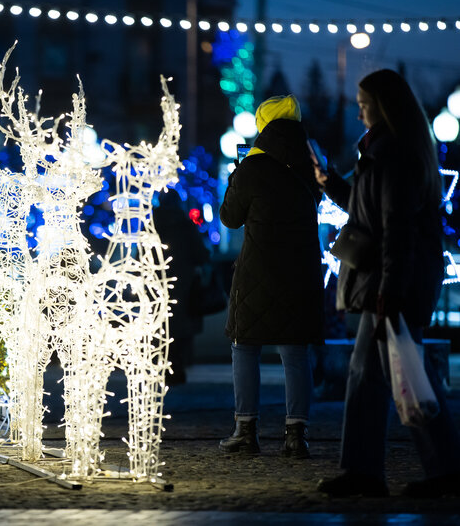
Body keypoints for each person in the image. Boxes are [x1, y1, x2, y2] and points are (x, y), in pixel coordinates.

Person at [315, 69, 460, 498]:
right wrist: (330, 184)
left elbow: (396, 229)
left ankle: (438, 469)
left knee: (407, 377)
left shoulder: (391, 154)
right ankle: (368, 470)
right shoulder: (385, 152)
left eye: (363, 104)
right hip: (391, 281)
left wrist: (391, 292)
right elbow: (370, 212)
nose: (358, 112)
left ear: (382, 106)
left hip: (393, 283)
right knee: (369, 375)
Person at [219, 95, 325, 458]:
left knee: (245, 348)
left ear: (262, 125)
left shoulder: (254, 165)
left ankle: (245, 431)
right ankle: (297, 435)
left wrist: (238, 173)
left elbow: (230, 217)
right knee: (296, 353)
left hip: (257, 272)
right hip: (301, 270)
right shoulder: (311, 163)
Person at [154, 189, 212, 385]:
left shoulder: (151, 226)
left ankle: (161, 365)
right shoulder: (185, 225)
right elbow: (201, 254)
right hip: (181, 283)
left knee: (159, 324)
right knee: (179, 325)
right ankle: (176, 366)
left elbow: (141, 256)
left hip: (156, 282)